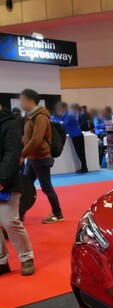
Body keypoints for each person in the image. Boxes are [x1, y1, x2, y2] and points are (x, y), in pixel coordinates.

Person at [0, 105, 35, 276]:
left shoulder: (10, 124)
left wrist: (2, 179)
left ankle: (26, 257)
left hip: (8, 182)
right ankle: (1, 261)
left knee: (10, 222)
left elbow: (12, 154)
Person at [20, 89, 64, 224]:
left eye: (22, 100)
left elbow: (36, 140)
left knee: (46, 187)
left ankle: (57, 213)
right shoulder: (31, 117)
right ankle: (19, 215)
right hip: (33, 158)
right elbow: (29, 138)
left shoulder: (40, 117)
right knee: (24, 187)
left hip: (41, 158)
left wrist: (22, 155)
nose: (21, 103)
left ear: (30, 101)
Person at [52, 102, 88, 173]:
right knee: (79, 152)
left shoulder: (70, 115)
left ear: (64, 108)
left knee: (80, 152)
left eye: (60, 108)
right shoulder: (65, 115)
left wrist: (54, 121)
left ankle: (84, 167)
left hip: (77, 135)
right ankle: (84, 167)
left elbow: (64, 124)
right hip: (74, 135)